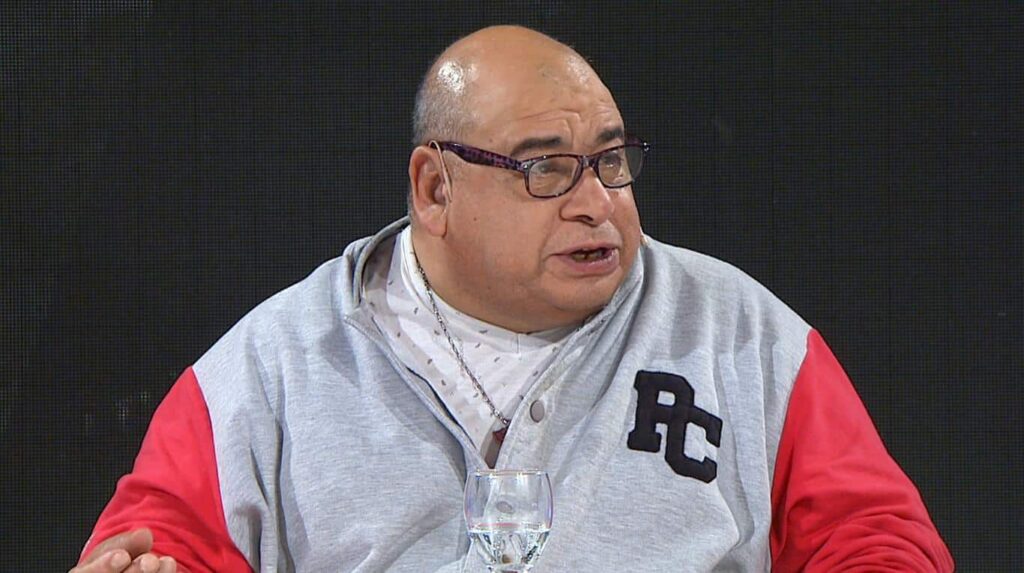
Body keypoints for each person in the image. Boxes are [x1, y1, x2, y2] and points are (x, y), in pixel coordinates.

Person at [72, 25, 954, 573]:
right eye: (546, 169)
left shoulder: (745, 334)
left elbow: (873, 535)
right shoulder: (269, 367)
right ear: (435, 188)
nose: (597, 202)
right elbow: (157, 541)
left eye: (611, 160)